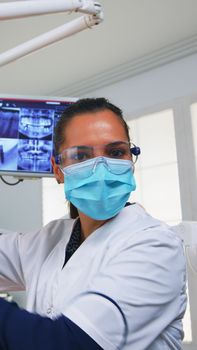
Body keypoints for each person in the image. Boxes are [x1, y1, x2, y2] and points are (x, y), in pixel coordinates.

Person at [0, 98, 187, 350]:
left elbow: (68, 344)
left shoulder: (156, 246)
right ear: (58, 170)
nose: (101, 167)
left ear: (131, 162)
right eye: (81, 155)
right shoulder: (52, 237)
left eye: (116, 152)